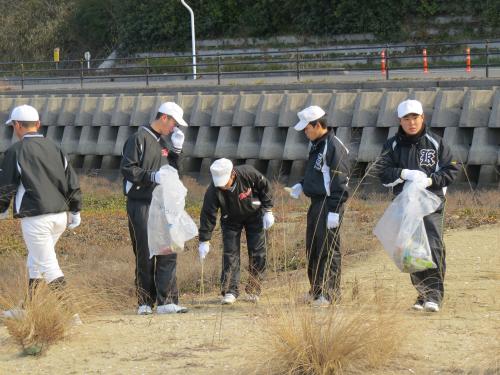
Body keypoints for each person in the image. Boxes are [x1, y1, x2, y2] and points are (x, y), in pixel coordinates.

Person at [376, 99, 458, 312]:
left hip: (431, 203)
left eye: (415, 117)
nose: (411, 122)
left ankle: (435, 295)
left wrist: (431, 180)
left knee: (433, 245)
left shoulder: (436, 142)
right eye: (406, 118)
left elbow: (451, 170)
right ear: (400, 121)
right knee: (411, 249)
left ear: (423, 118)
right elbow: (383, 173)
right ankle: (422, 293)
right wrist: (403, 173)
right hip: (405, 205)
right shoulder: (392, 145)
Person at [0, 105, 82, 309]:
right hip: (60, 217)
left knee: (48, 266)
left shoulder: (15, 151)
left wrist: (1, 209)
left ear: (17, 125)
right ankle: (28, 309)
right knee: (36, 262)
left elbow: (7, 185)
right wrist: (75, 210)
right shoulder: (56, 148)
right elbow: (72, 181)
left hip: (36, 217)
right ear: (37, 124)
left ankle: (71, 314)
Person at [121, 102, 188, 315]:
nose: (175, 128)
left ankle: (167, 301)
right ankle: (145, 302)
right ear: (165, 117)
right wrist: (151, 176)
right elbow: (127, 168)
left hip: (163, 204)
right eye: (174, 123)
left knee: (168, 249)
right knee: (145, 251)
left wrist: (176, 151)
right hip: (141, 203)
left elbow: (174, 172)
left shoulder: (164, 142)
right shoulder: (138, 138)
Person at [286, 105, 350, 307]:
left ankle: (329, 294)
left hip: (329, 203)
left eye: (307, 128)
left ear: (316, 125)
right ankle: (315, 290)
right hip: (315, 204)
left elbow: (340, 182)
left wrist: (334, 211)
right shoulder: (316, 144)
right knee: (313, 248)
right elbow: (317, 172)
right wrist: (302, 184)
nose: (305, 132)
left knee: (328, 249)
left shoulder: (333, 147)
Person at [198, 158, 274, 305]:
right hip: (230, 219)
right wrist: (204, 240)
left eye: (225, 183)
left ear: (232, 175)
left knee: (258, 252)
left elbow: (265, 186)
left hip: (255, 214)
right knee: (230, 254)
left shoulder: (248, 173)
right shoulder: (214, 189)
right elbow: (208, 214)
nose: (223, 187)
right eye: (220, 184)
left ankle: (253, 288)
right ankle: (230, 290)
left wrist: (268, 210)